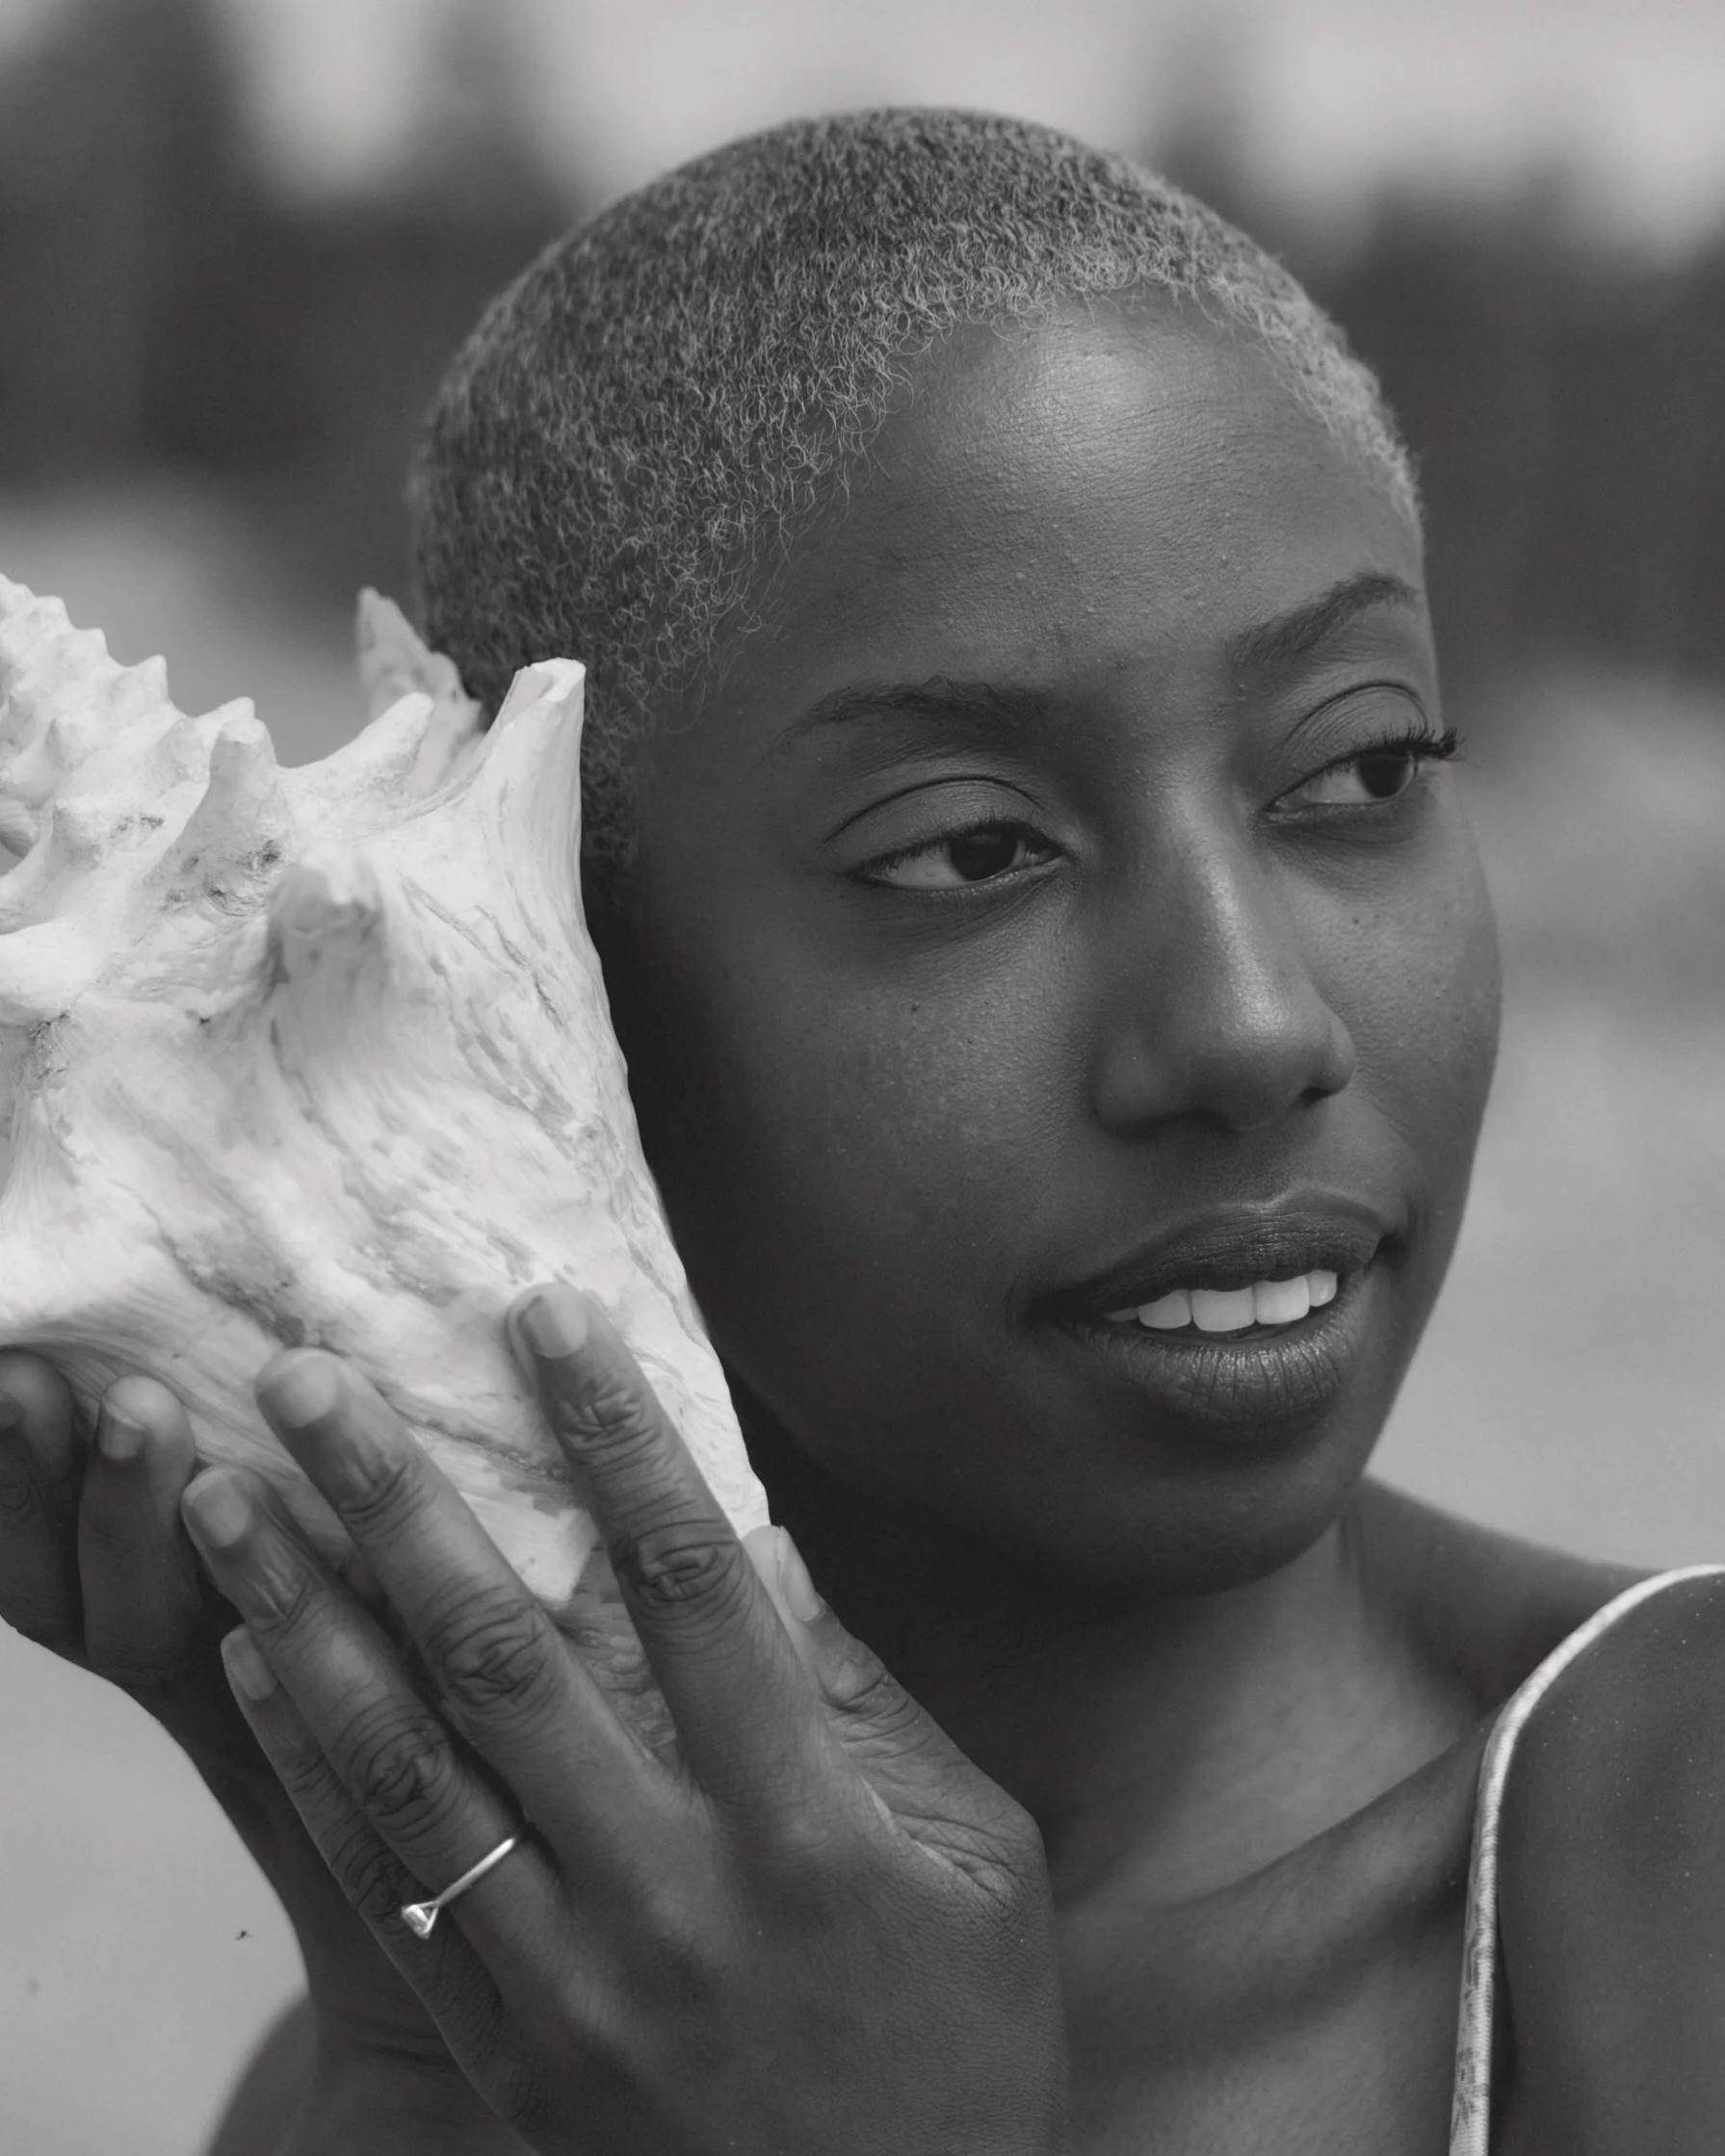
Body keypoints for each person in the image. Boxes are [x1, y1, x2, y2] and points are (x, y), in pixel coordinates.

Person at [1, 108, 1720, 2155]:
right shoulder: (445, 2061)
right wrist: (417, 2055)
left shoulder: (1668, 1857)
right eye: (973, 849)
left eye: (1357, 774)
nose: (1252, 1026)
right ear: (546, 981)